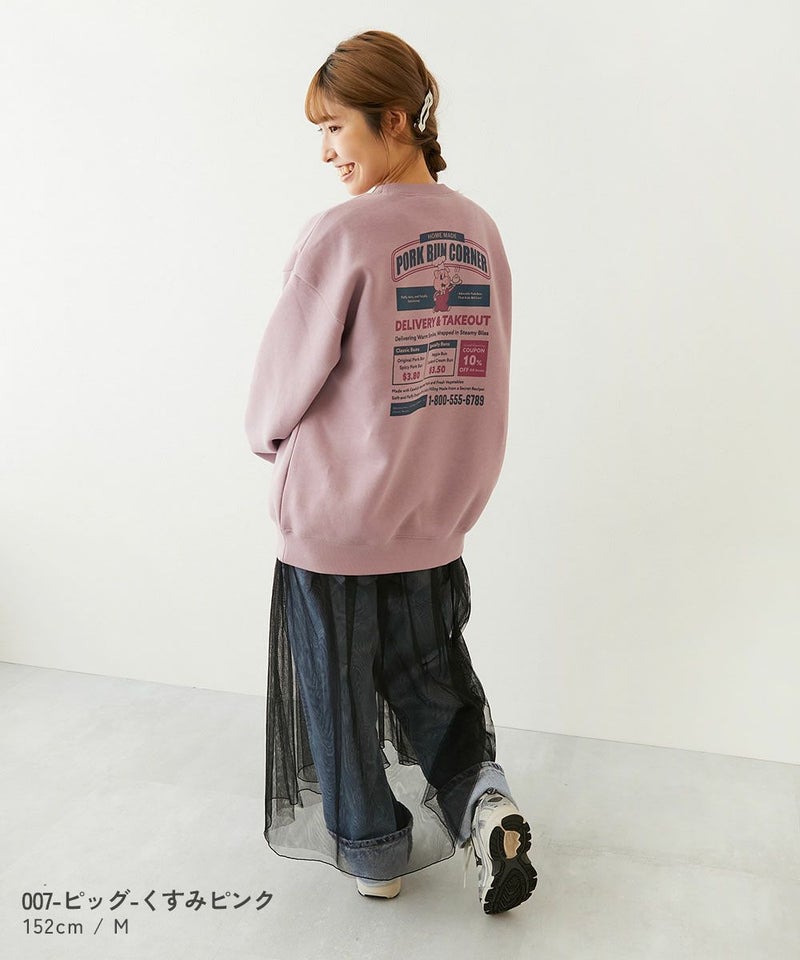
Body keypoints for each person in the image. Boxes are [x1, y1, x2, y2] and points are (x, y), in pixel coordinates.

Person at [244, 29, 537, 915]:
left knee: (337, 694)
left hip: (336, 524)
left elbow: (279, 389)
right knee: (433, 683)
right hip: (432, 518)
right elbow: (487, 374)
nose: (327, 151)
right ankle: (485, 805)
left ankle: (375, 856)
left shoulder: (342, 234)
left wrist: (268, 441)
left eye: (335, 127)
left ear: (396, 120)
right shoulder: (480, 230)